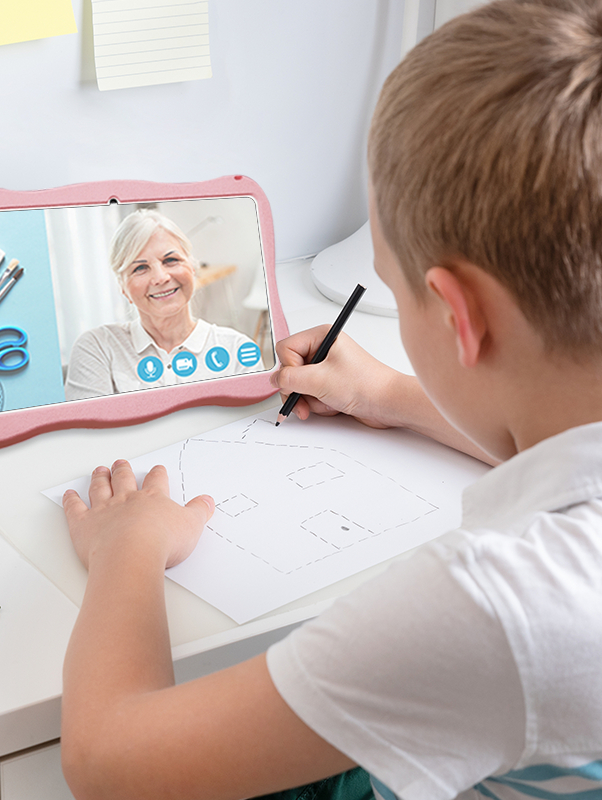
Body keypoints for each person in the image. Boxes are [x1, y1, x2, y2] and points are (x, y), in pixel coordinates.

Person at [59, 2, 602, 799]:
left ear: (458, 315)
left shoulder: (499, 607)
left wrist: (126, 550)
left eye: (392, 286)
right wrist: (391, 395)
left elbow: (108, 763)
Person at [65, 209, 264, 400]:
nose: (160, 278)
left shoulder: (237, 350)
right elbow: (87, 424)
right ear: (123, 288)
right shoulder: (97, 348)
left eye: (170, 260)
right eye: (140, 268)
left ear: (192, 268)